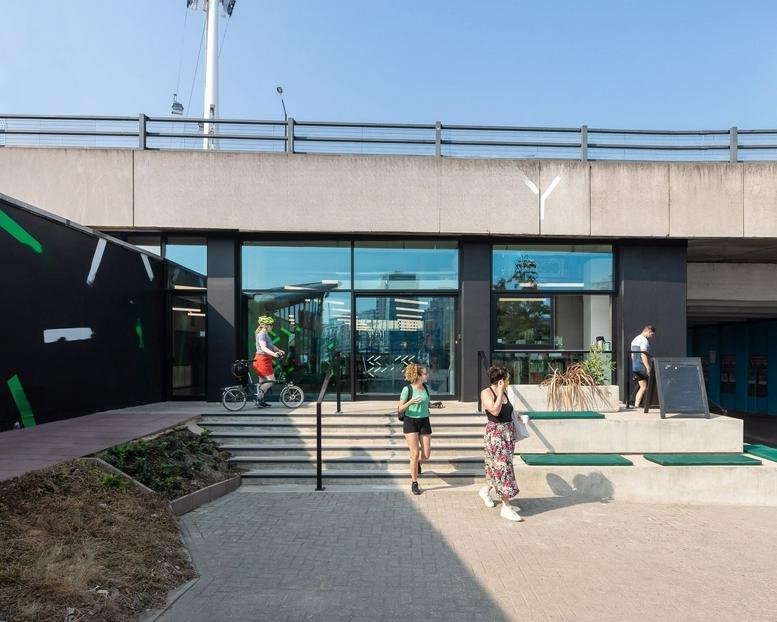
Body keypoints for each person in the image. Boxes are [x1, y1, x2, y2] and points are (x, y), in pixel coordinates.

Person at [479, 366, 523, 522]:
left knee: (496, 467)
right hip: (495, 435)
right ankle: (506, 507)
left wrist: (518, 418)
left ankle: (485, 490)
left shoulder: (505, 392)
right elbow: (495, 411)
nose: (508, 381)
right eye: (507, 378)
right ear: (500, 380)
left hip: (508, 434)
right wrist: (498, 393)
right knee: (503, 468)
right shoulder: (486, 393)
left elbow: (508, 411)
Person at [397, 363, 432, 496]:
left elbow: (427, 404)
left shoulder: (426, 388)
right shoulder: (407, 389)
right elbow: (400, 408)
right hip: (410, 421)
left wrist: (436, 406)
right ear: (418, 376)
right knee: (414, 453)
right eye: (425, 374)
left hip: (424, 421)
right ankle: (414, 482)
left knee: (426, 455)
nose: (427, 375)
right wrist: (411, 402)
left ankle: (417, 463)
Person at [253, 315, 284, 407]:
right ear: (266, 325)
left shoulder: (265, 334)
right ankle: (258, 397)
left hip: (264, 359)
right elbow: (263, 347)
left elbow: (271, 346)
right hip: (262, 360)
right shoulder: (262, 334)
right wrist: (274, 354)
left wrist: (278, 350)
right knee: (271, 380)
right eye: (271, 325)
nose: (272, 326)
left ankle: (260, 401)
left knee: (262, 381)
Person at [630, 325, 656, 408]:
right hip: (642, 367)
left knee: (642, 386)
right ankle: (641, 404)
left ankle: (637, 404)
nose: (651, 336)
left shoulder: (635, 339)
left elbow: (632, 355)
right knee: (645, 386)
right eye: (651, 334)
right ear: (648, 331)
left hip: (635, 366)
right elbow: (643, 354)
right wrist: (647, 367)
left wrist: (635, 365)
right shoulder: (644, 340)